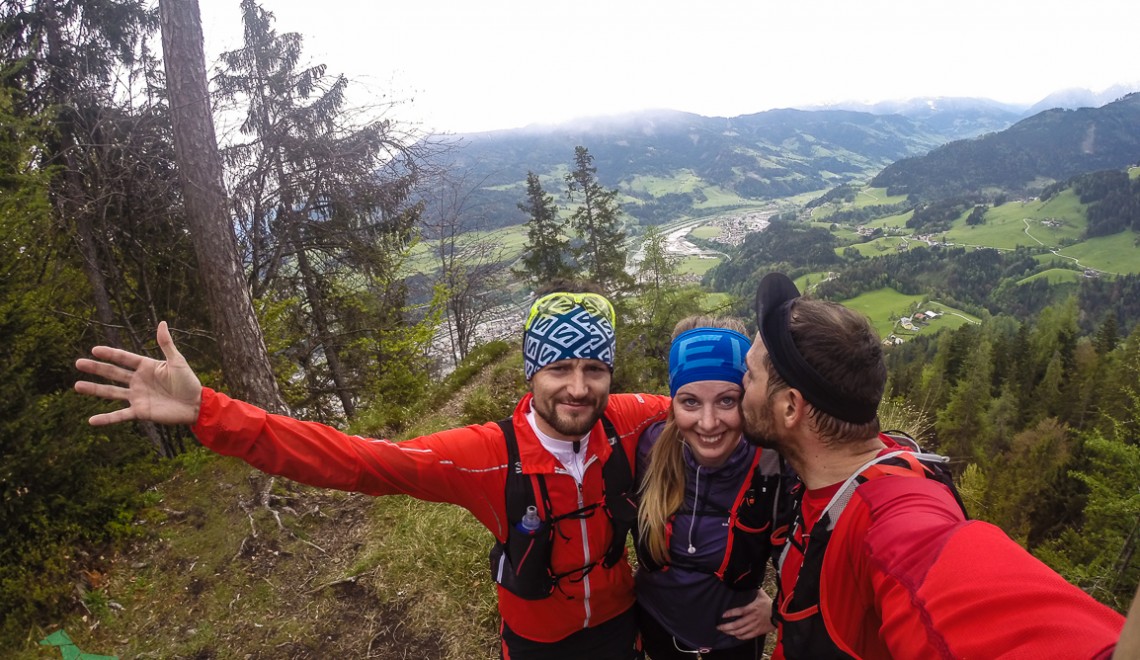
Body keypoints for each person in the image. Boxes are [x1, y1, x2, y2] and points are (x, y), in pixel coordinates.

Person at [74, 282, 671, 660]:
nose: (577, 386)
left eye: (594, 367)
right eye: (559, 367)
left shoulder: (629, 419)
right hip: (539, 641)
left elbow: (710, 411)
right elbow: (353, 460)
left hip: (622, 623)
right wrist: (209, 411)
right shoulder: (488, 455)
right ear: (530, 373)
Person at [740, 271, 1128, 659]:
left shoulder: (893, 518)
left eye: (750, 374)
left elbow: (971, 594)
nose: (740, 384)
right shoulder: (831, 474)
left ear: (791, 407)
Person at [634, 316, 778, 659]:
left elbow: (816, 544)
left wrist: (780, 609)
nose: (709, 423)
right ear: (673, 403)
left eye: (727, 400)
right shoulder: (647, 450)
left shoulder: (772, 464)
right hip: (656, 626)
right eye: (690, 402)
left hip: (734, 644)